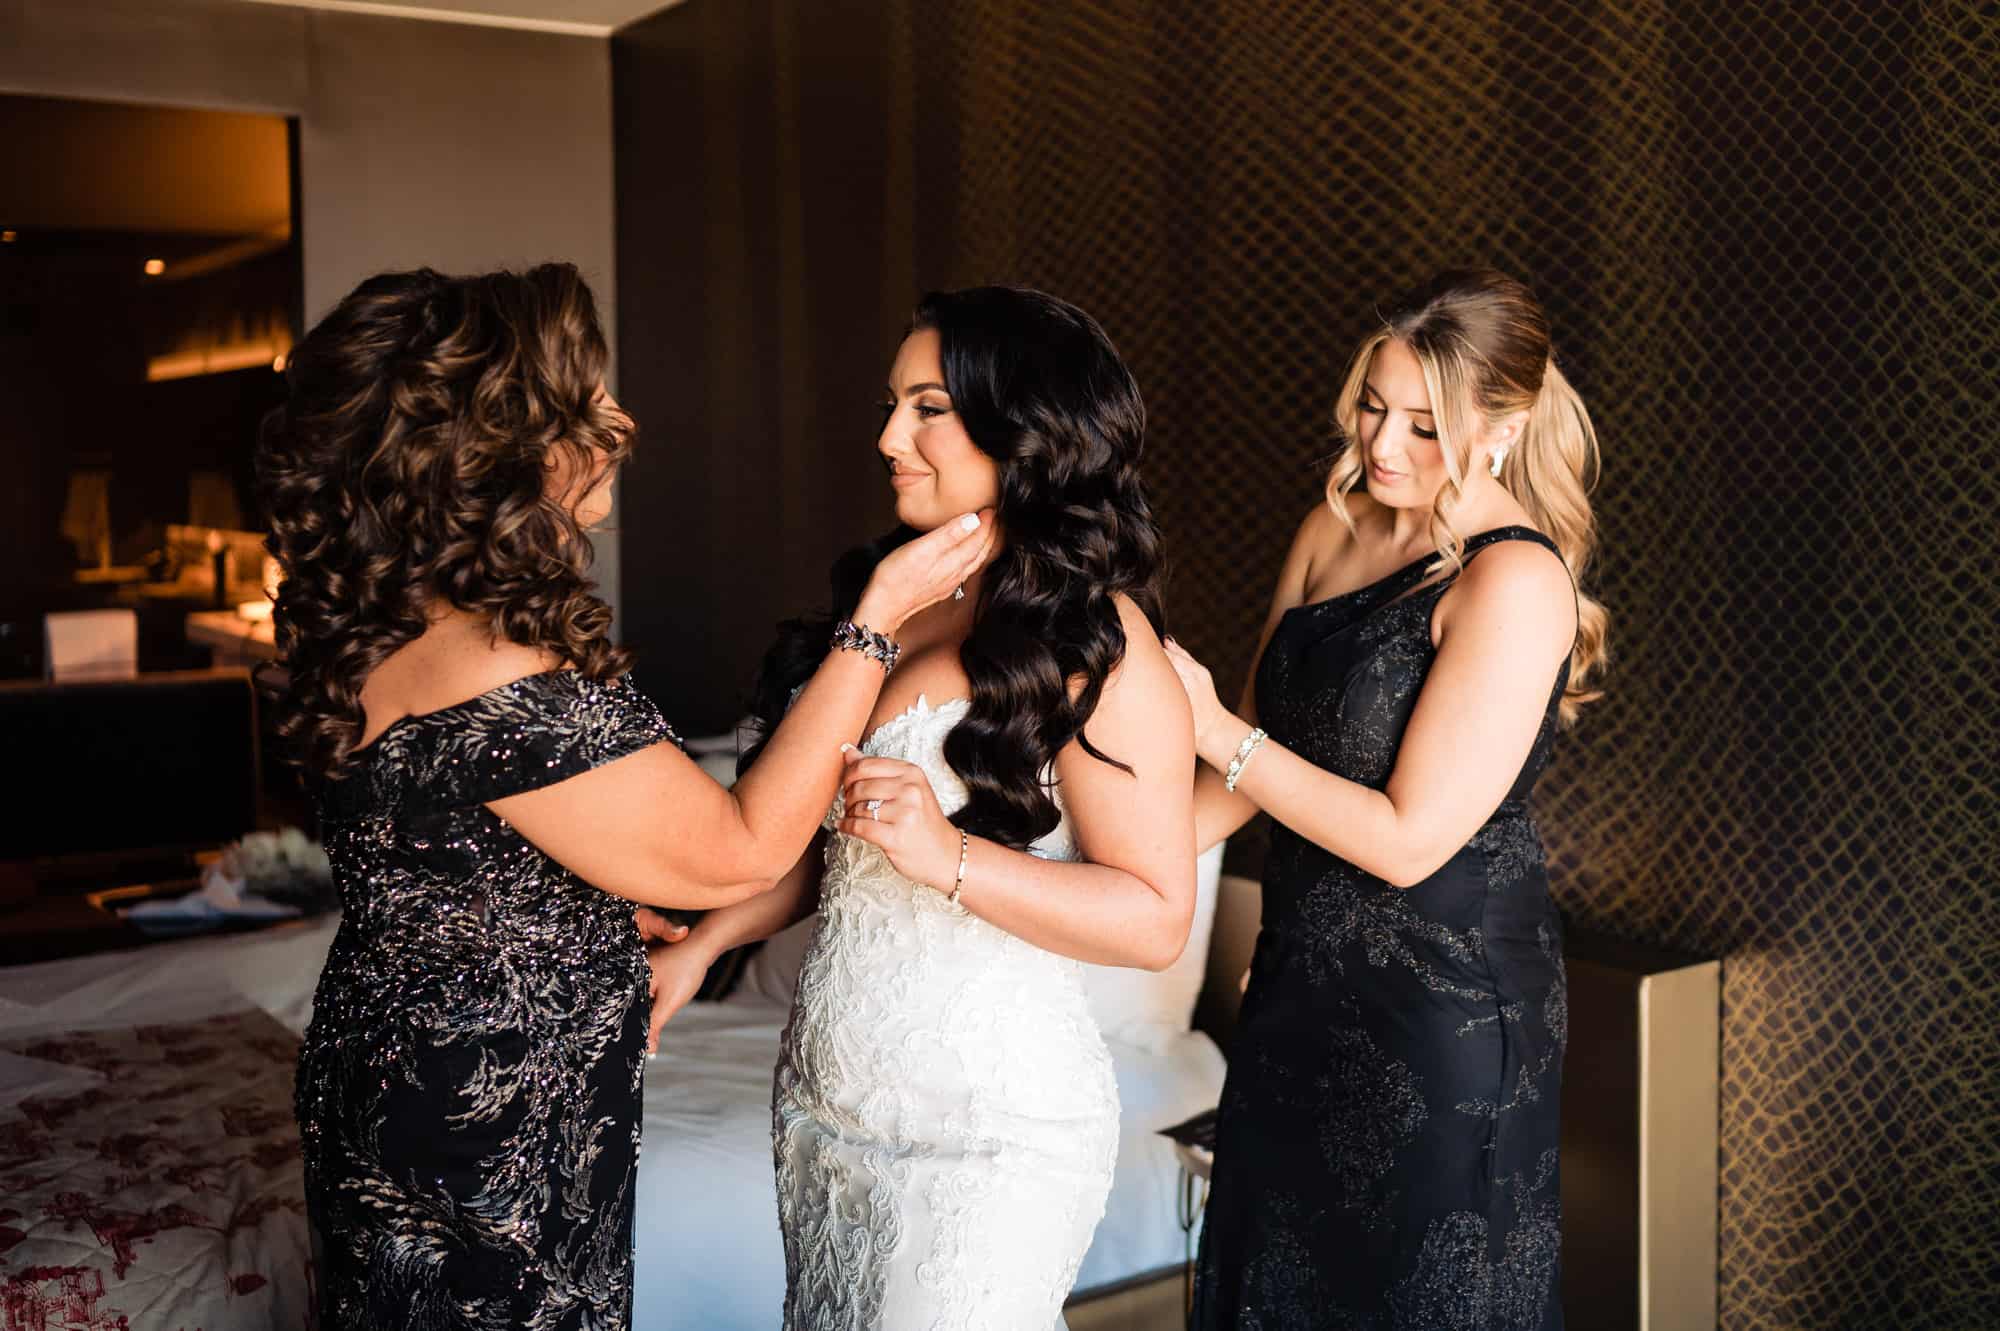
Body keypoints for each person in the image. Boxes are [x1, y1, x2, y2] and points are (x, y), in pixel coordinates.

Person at [261, 263, 990, 1331]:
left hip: (406, 1072)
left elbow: (459, 851)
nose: (623, 420)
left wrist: (574, 917)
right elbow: (738, 846)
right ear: (501, 441)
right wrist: (876, 618)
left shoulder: (408, 618)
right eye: (586, 401)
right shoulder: (490, 664)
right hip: (479, 1136)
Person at [644, 287, 1197, 1329]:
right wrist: (700, 944)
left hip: (985, 1133)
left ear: (1023, 428)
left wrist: (945, 852)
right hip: (825, 1115)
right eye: (893, 403)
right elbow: (827, 848)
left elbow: (1155, 912)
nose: (888, 436)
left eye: (926, 406)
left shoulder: (1095, 639)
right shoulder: (898, 593)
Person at [1170, 269, 1607, 1330]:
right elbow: (1239, 777)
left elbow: (1406, 839)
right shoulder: (1332, 529)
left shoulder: (1513, 582)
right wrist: (1090, 862)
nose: (1380, 447)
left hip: (1438, 1016)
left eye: (1423, 425)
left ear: (1501, 425)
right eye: (1372, 406)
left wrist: (1213, 732)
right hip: (1293, 990)